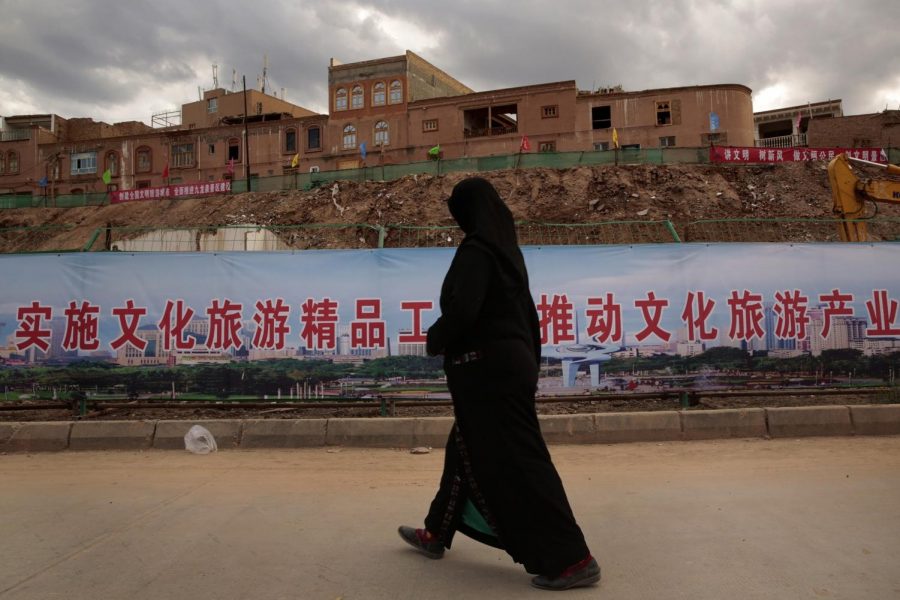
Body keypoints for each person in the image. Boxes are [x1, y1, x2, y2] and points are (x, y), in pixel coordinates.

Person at [398, 177, 600, 591]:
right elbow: (528, 322)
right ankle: (436, 532)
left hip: (488, 374)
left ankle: (572, 558)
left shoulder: (476, 252)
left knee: (522, 460)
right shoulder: (507, 255)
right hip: (506, 369)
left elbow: (463, 313)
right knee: (464, 449)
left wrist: (434, 338)